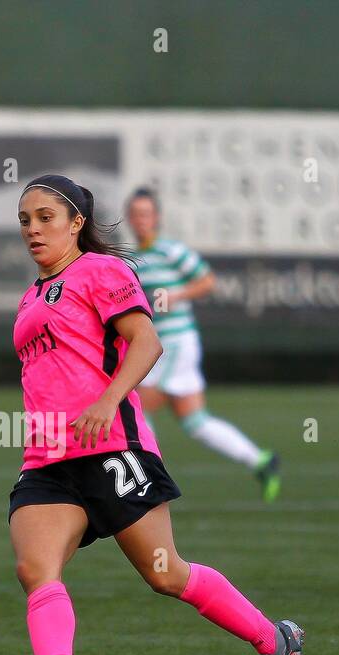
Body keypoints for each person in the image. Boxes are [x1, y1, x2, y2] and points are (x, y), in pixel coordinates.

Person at [0, 173, 308, 655]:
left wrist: (107, 401)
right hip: (47, 460)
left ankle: (275, 641)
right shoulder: (30, 296)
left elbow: (147, 342)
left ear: (76, 223)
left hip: (111, 446)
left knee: (166, 575)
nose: (33, 229)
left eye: (46, 217)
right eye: (25, 220)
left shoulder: (101, 271)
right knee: (35, 569)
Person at [126, 188, 281, 501]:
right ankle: (260, 460)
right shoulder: (134, 258)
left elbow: (207, 280)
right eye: (135, 214)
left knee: (134, 406)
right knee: (195, 421)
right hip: (165, 344)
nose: (141, 220)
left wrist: (176, 296)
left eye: (146, 214)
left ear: (156, 218)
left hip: (174, 343)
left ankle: (152, 481)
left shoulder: (171, 251)